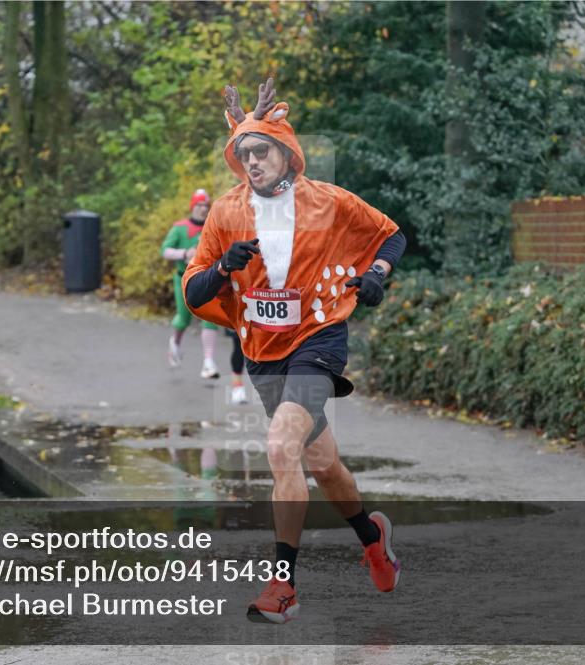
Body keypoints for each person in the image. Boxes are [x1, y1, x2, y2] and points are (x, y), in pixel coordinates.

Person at [183, 79, 407, 623]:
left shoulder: (328, 201)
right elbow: (193, 292)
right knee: (323, 464)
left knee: (281, 445)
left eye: (263, 150)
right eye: (245, 153)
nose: (253, 161)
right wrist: (223, 268)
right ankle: (371, 535)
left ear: (288, 154)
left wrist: (377, 274)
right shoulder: (227, 214)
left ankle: (282, 586)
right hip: (263, 351)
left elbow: (390, 234)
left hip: (318, 337)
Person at [161, 189, 221, 379]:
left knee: (210, 317)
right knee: (183, 319)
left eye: (206, 205)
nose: (203, 209)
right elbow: (165, 250)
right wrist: (184, 254)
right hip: (183, 278)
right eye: (199, 205)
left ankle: (208, 363)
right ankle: (175, 344)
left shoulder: (213, 227)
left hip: (207, 279)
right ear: (192, 207)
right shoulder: (180, 228)